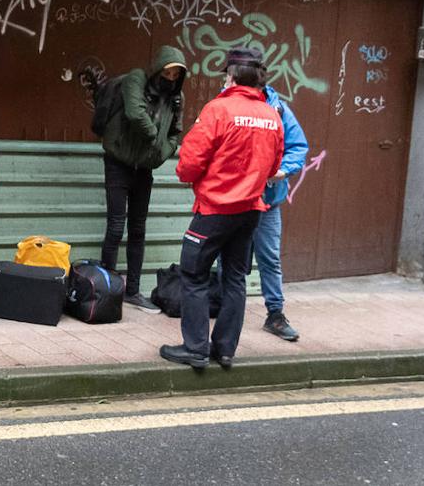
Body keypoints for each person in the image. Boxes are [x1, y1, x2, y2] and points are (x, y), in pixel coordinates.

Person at [161, 46, 283, 370]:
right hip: (251, 212)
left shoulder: (219, 109)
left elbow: (190, 161)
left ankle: (196, 348)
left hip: (215, 210)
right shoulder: (272, 115)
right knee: (235, 279)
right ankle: (225, 350)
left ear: (230, 76)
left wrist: (191, 177)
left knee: (193, 273)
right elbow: (274, 165)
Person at [99, 46, 188, 311]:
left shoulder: (175, 98)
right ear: (158, 68)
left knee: (138, 230)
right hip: (118, 162)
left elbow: (176, 132)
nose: (170, 78)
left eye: (176, 75)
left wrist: (163, 152)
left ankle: (133, 291)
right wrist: (153, 136)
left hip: (144, 169)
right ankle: (107, 289)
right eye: (167, 72)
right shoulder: (137, 79)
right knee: (116, 226)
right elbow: (134, 112)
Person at [256, 85, 309, 341]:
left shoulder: (277, 108)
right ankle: (225, 310)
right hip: (235, 200)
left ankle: (275, 314)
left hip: (268, 202)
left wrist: (283, 171)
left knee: (270, 259)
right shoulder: (227, 104)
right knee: (229, 260)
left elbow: (298, 145)